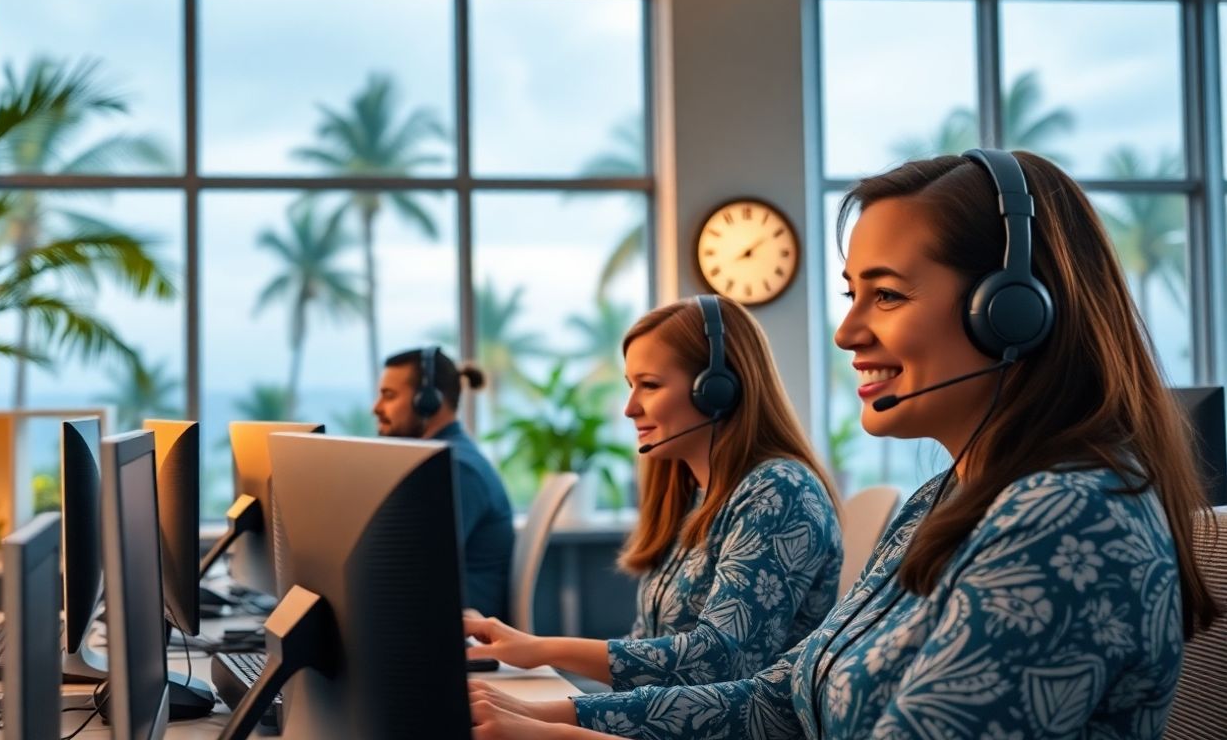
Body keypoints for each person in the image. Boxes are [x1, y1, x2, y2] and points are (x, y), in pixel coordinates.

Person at [466, 150, 1219, 739]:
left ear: (1012, 313)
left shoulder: (1064, 519)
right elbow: (785, 699)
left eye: (886, 295)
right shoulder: (948, 497)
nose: (847, 332)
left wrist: (565, 718)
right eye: (852, 293)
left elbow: (735, 661)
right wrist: (561, 719)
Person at [465, 295, 842, 693]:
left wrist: (543, 652)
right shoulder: (693, 495)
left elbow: (719, 661)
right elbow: (647, 649)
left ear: (717, 390)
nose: (629, 408)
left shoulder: (778, 492)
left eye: (649, 385)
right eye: (631, 386)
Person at [374, 346, 513, 619]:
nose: (376, 408)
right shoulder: (440, 462)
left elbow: (410, 569)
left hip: (458, 634)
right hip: (431, 623)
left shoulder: (456, 468)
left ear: (427, 402)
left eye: (389, 396)